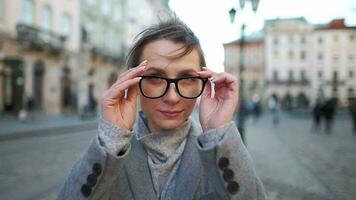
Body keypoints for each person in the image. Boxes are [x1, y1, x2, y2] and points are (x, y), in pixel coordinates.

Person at [57, 15, 266, 200]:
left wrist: (219, 133)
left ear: (203, 82)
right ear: (134, 81)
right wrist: (111, 136)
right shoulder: (109, 153)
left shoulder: (218, 154)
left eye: (187, 78)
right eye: (156, 78)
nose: (172, 97)